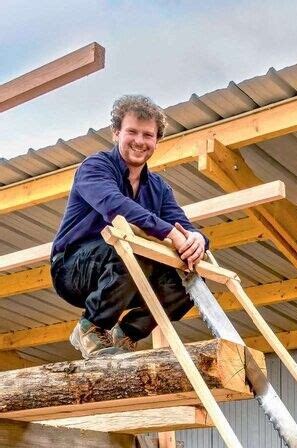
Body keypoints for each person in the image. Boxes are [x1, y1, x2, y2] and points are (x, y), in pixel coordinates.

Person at [50, 95, 208, 359]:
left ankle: (126, 335)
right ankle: (90, 328)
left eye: (148, 135)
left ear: (157, 140)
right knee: (129, 248)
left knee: (190, 277)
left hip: (127, 274)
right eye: (132, 131)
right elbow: (116, 205)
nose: (139, 141)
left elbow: (183, 225)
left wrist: (197, 240)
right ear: (116, 133)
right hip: (73, 269)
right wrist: (169, 233)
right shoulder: (95, 167)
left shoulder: (159, 188)